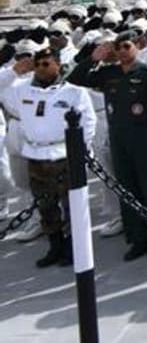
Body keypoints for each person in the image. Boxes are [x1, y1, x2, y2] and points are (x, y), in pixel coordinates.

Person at [70, 30, 147, 260]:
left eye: (127, 46)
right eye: (118, 48)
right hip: (119, 138)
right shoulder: (109, 74)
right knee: (127, 189)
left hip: (145, 138)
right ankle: (136, 239)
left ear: (136, 47)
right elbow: (76, 79)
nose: (123, 51)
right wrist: (95, 58)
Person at [0, 39, 96, 267]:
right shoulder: (22, 89)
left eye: (46, 64)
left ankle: (73, 249)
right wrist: (14, 71)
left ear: (58, 65)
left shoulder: (74, 92)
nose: (41, 68)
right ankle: (55, 246)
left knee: (70, 206)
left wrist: (82, 150)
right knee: (46, 207)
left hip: (64, 155)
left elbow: (88, 122)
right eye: (38, 64)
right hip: (35, 156)